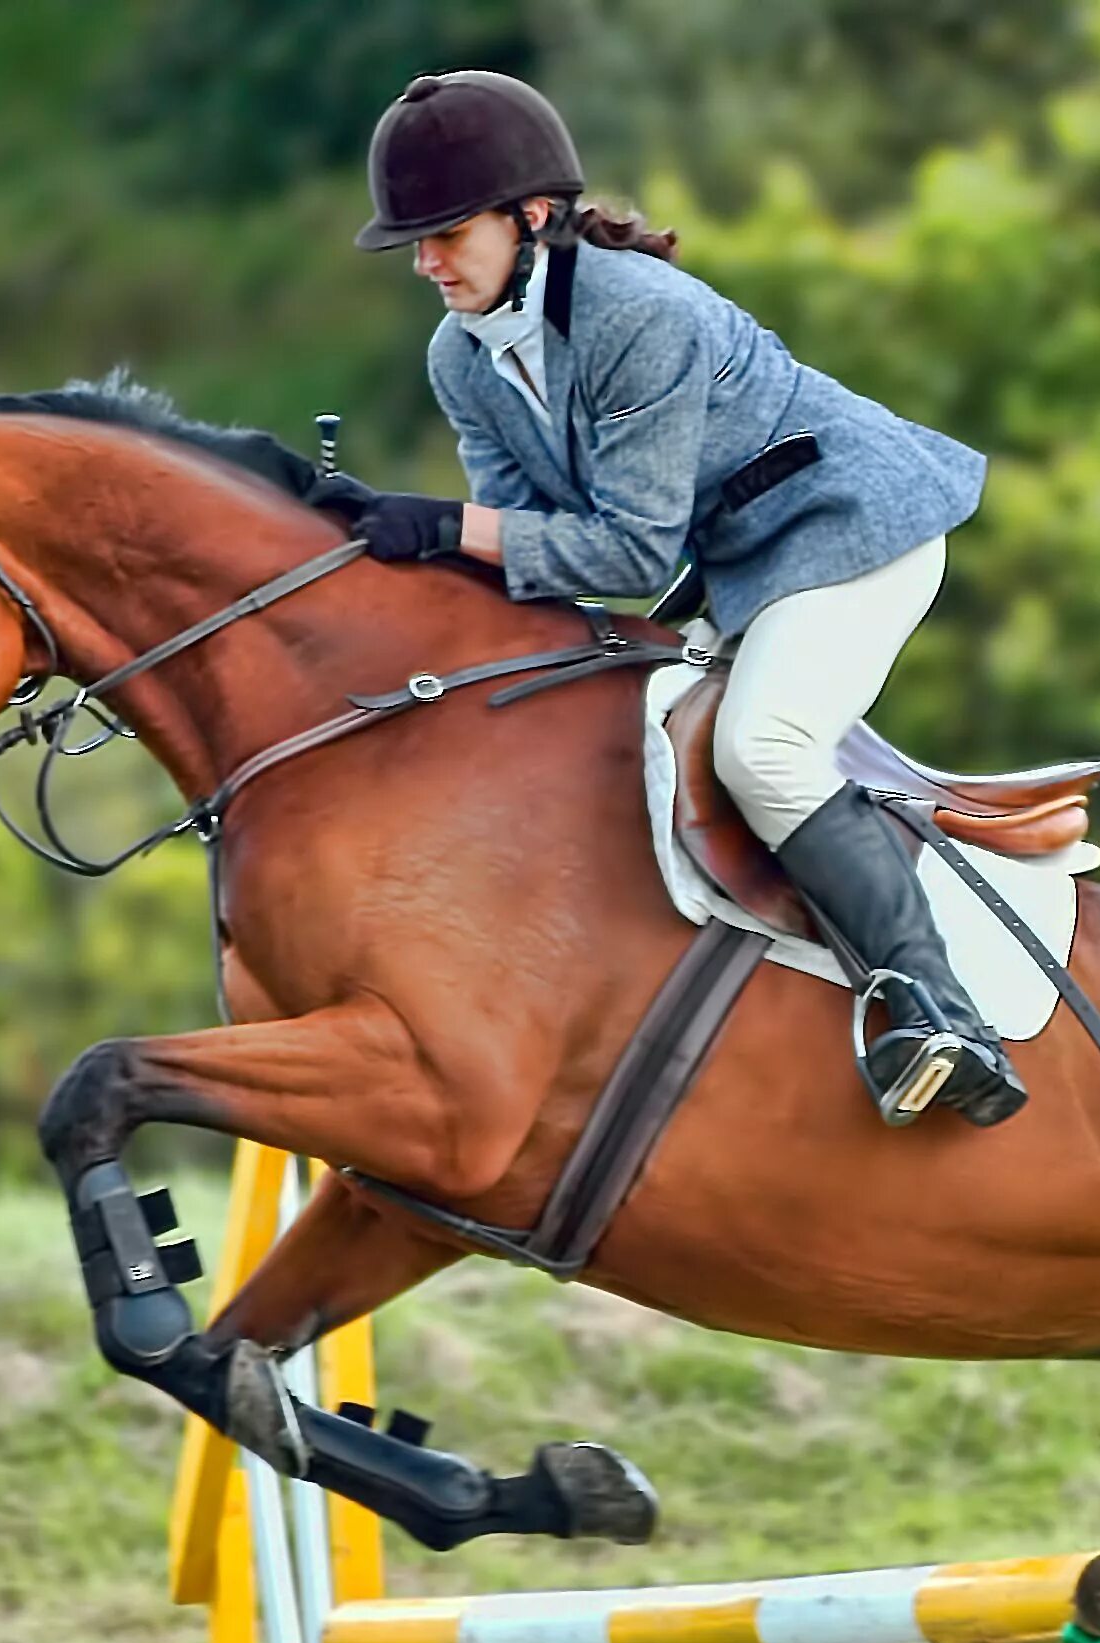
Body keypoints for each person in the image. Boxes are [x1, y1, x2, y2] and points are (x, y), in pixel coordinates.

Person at [318, 69, 1025, 1126]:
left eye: (445, 235)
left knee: (762, 749)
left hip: (848, 532)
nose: (424, 262)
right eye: (413, 242)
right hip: (737, 559)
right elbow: (520, 543)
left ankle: (944, 1018)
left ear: (533, 218)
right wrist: (385, 551)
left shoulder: (638, 317)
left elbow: (622, 548)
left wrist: (442, 524)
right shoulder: (459, 356)